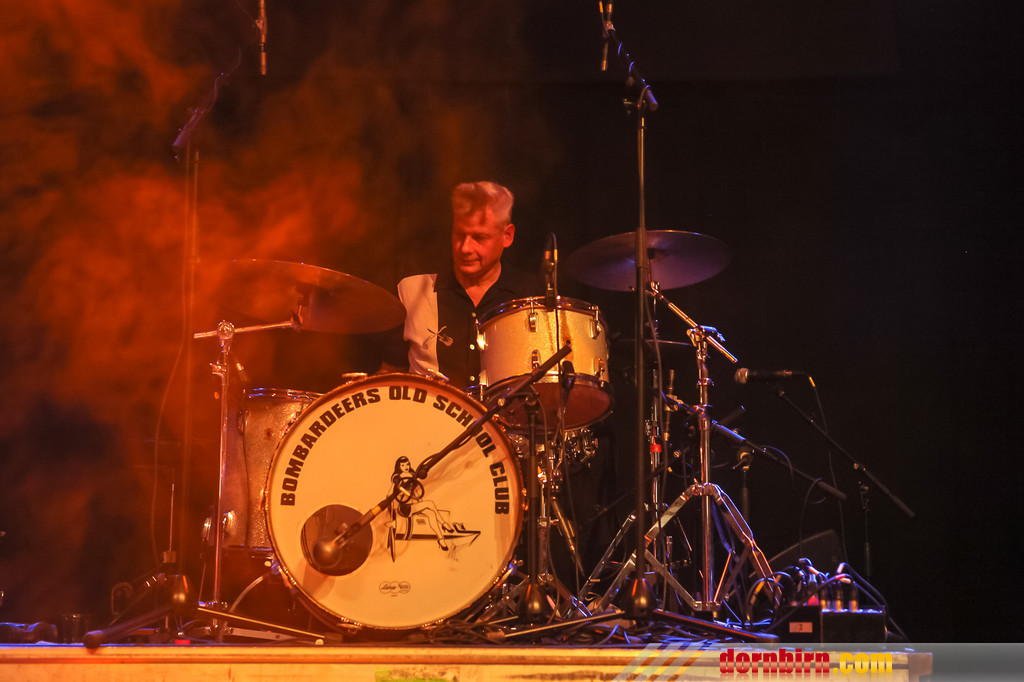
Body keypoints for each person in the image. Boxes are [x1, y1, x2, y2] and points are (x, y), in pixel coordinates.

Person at [382, 181, 542, 390]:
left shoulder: (532, 296)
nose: (465, 248)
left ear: (507, 236)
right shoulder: (412, 291)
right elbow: (389, 375)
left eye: (479, 238)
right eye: (459, 235)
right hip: (426, 411)